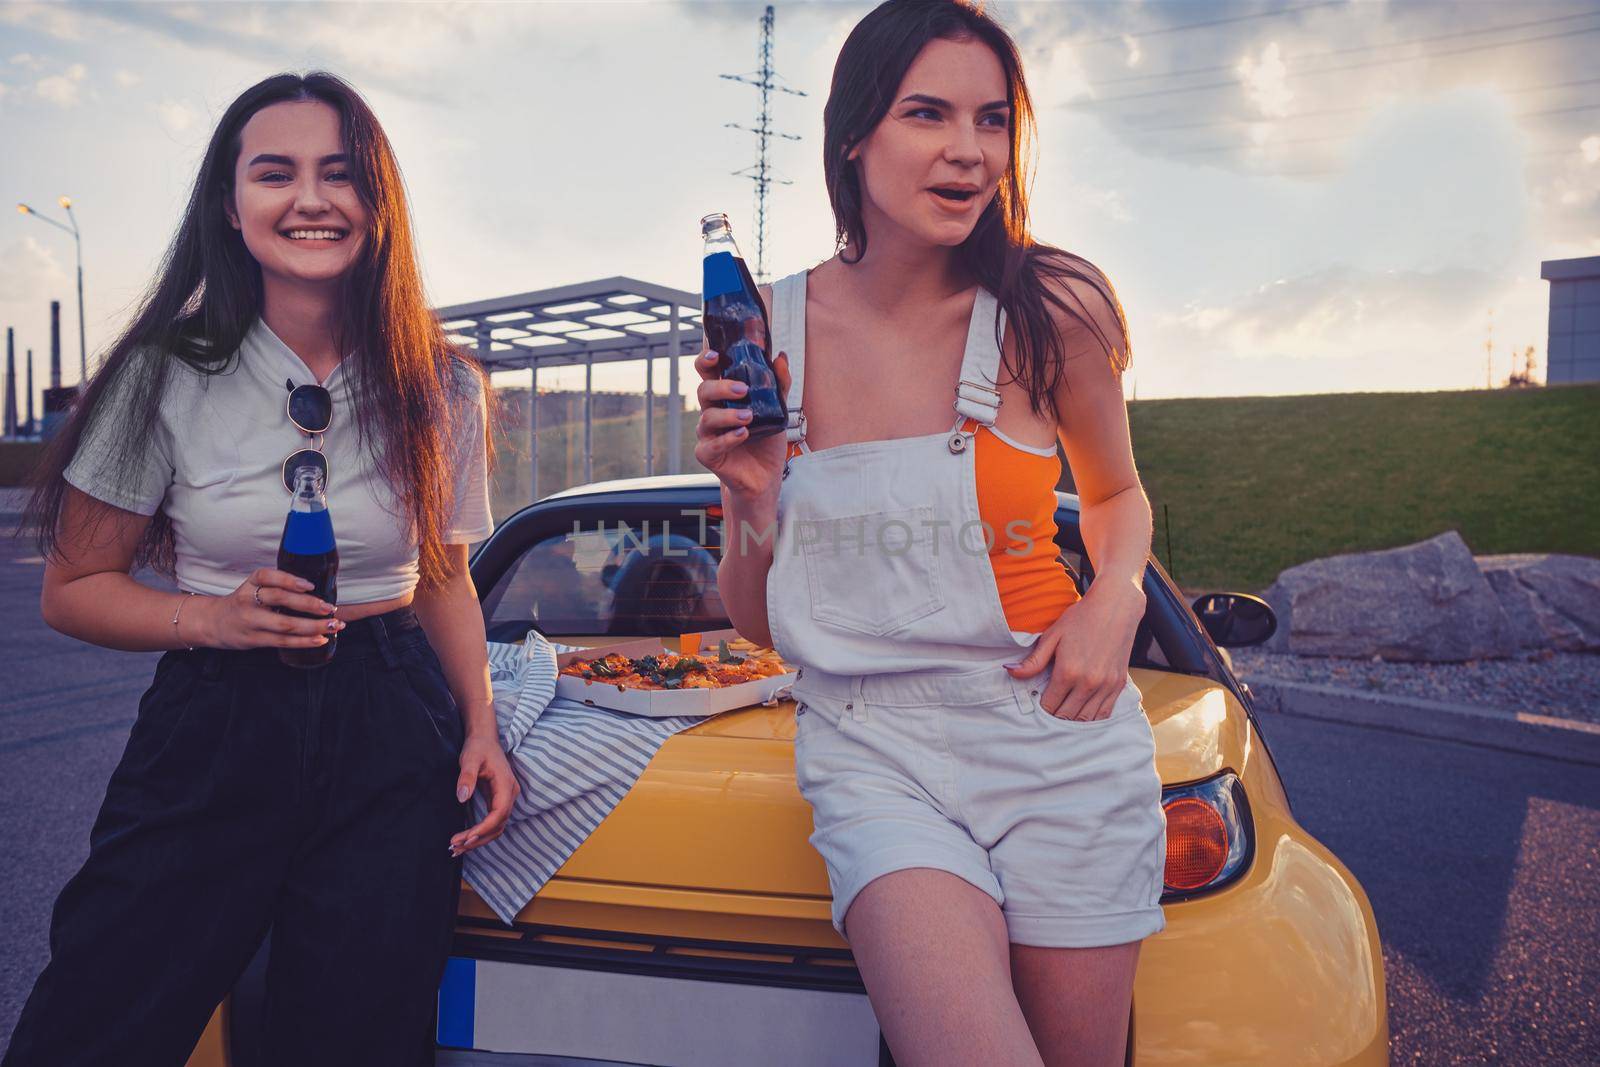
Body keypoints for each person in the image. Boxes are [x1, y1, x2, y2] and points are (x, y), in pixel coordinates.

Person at [6, 72, 519, 1067]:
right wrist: (214, 619)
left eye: (340, 173)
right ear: (231, 207)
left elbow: (445, 575)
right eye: (274, 172)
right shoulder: (161, 374)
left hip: (388, 720)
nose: (310, 199)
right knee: (98, 1017)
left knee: (358, 1034)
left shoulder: (441, 383)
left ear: (378, 204)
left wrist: (481, 722)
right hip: (215, 719)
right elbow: (71, 589)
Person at [695, 3, 1165, 1064]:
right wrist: (752, 495)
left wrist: (1114, 597)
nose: (967, 150)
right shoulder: (762, 330)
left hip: (1058, 739)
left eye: (991, 120)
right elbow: (757, 619)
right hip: (870, 748)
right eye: (926, 113)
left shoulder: (1054, 306)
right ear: (853, 134)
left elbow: (1118, 496)